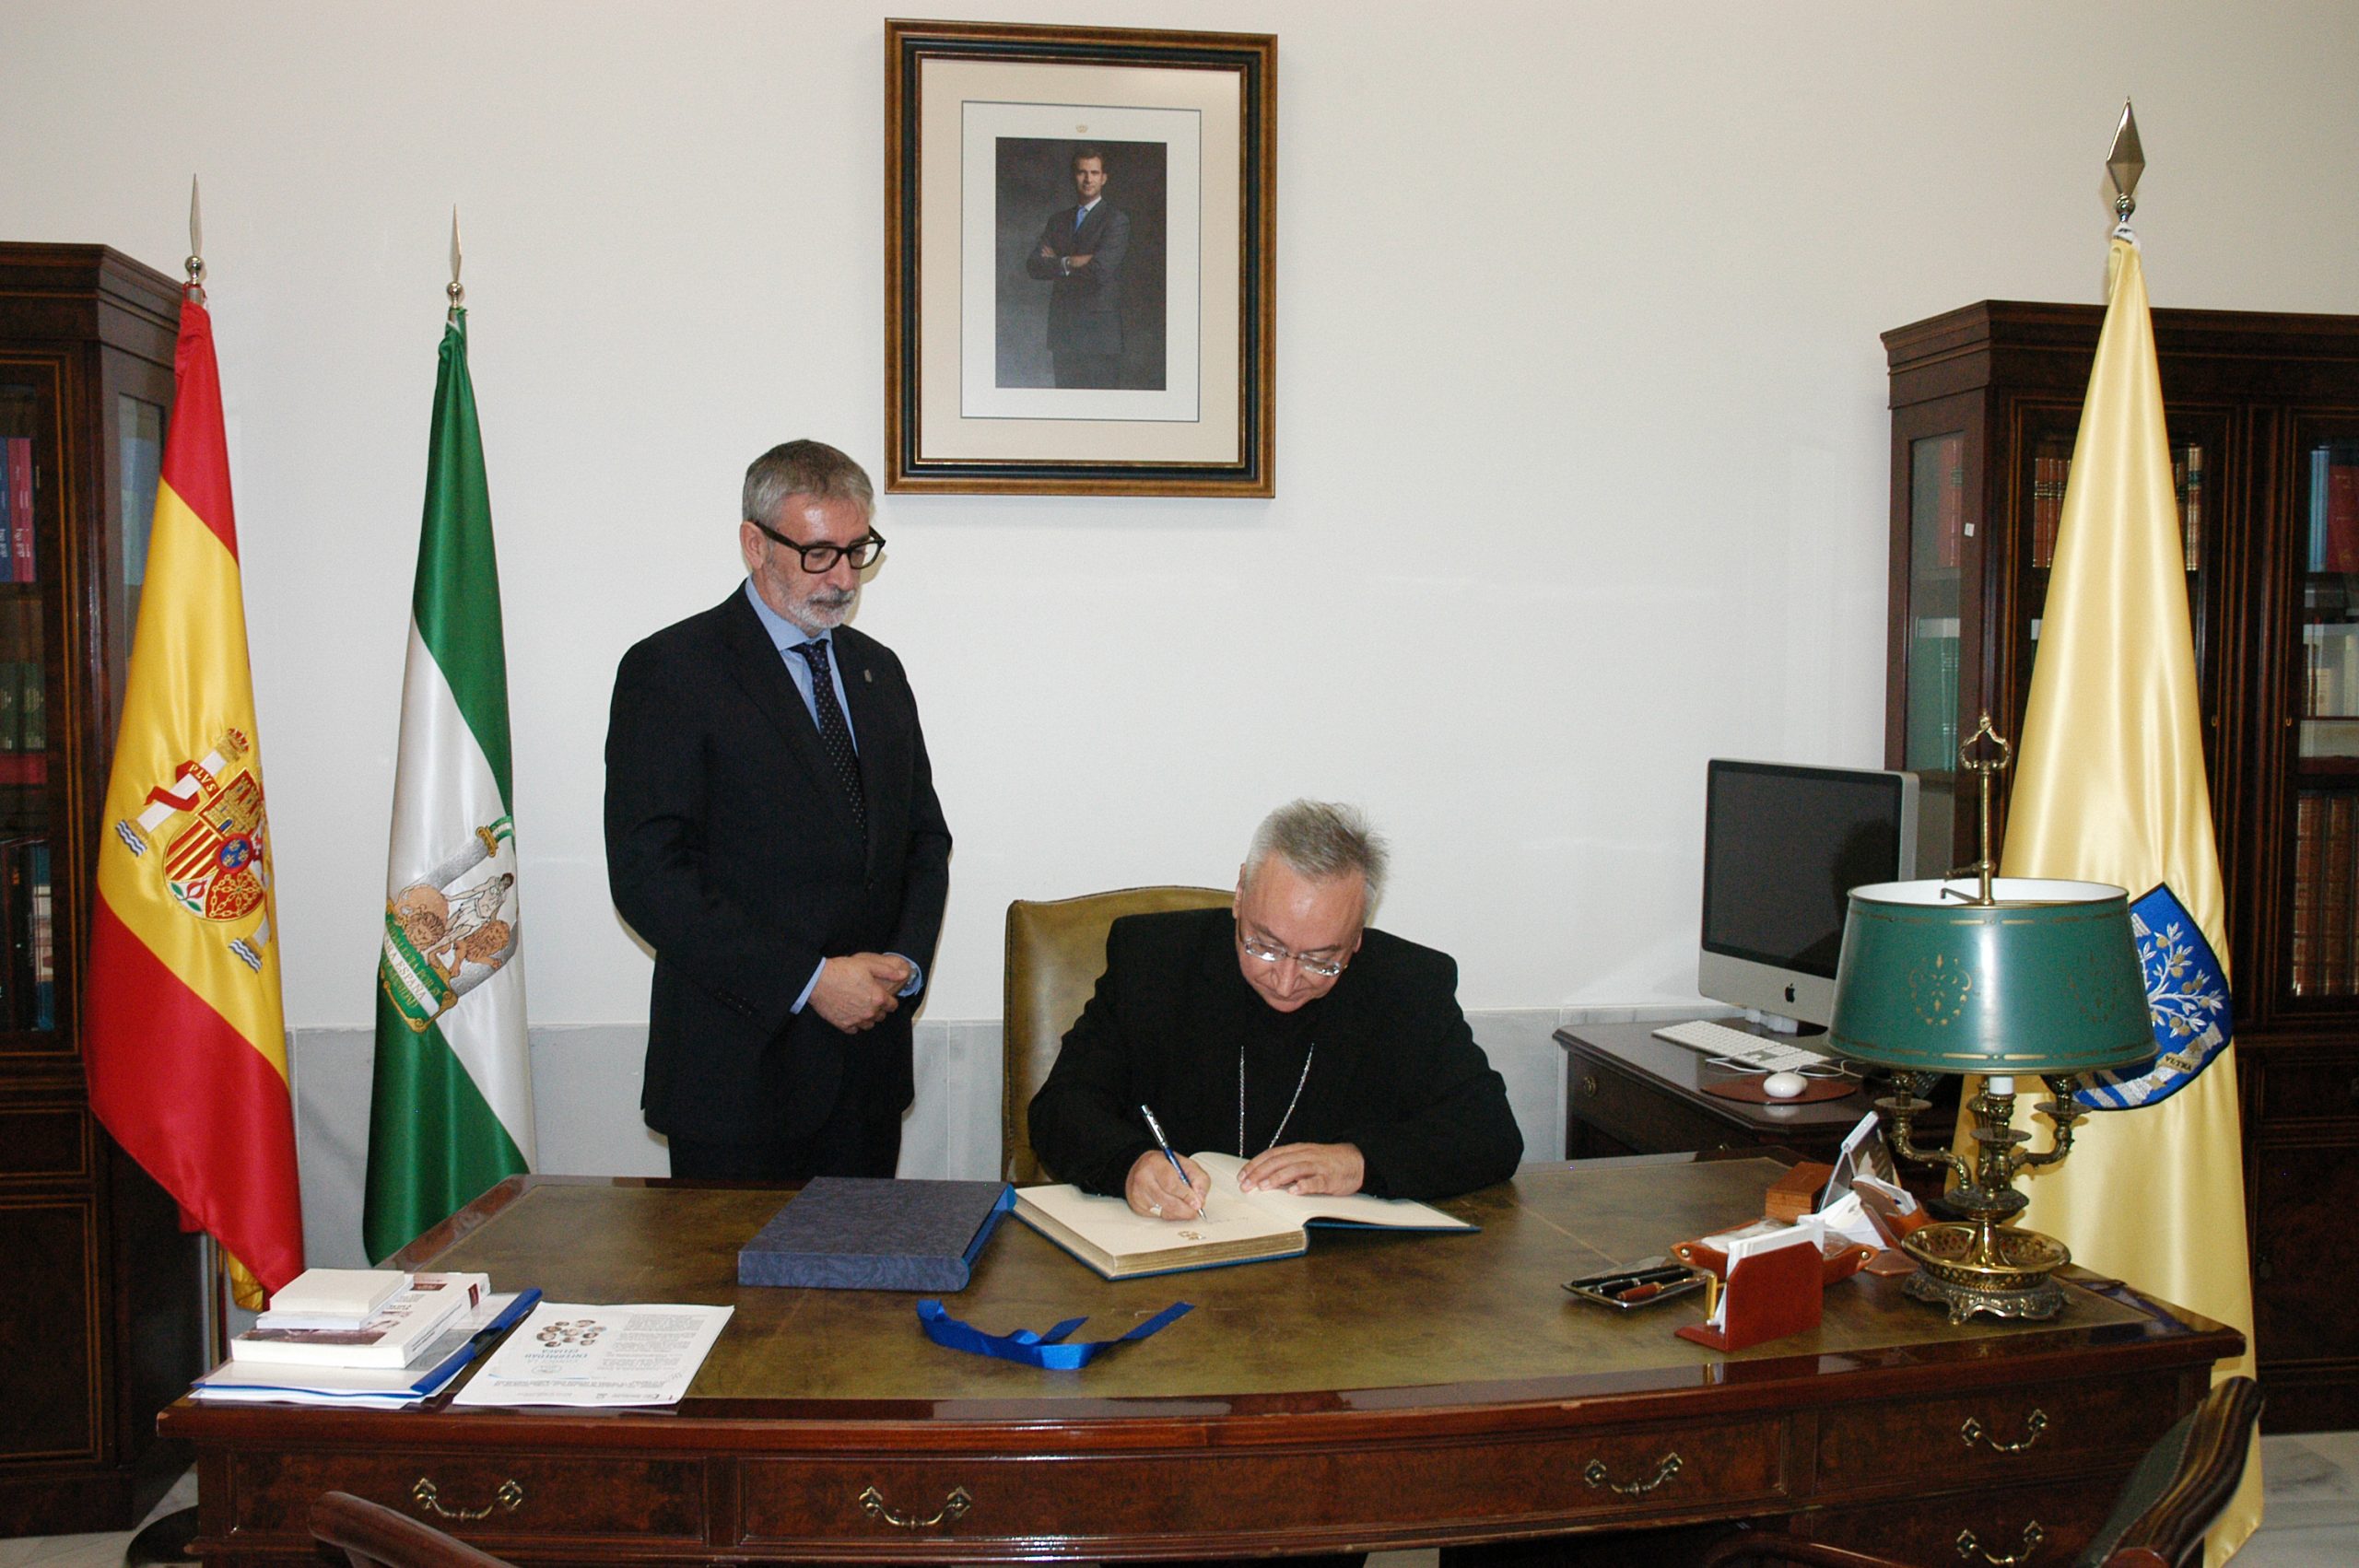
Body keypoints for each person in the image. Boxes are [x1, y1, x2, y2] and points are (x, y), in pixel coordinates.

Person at [604, 439, 951, 1180]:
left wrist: (904, 962)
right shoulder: (671, 670)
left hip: (867, 1075)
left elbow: (923, 840)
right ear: (755, 544)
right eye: (818, 553)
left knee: (866, 1263)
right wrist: (810, 980)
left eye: (857, 551)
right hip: (737, 1081)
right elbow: (649, 876)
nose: (845, 577)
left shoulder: (878, 670)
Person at [1028, 801, 1523, 1219]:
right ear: (1241, 894)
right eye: (1264, 946)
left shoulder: (1406, 987)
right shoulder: (1154, 962)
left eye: (1320, 960)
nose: (1286, 981)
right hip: (1174, 1258)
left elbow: (1490, 1132)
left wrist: (1361, 1163)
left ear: (1357, 936)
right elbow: (1061, 1107)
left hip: (1340, 1280)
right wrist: (1130, 1165)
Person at [1024, 145, 1131, 389]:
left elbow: (1100, 271)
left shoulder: (1116, 220)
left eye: (1094, 173)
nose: (1088, 179)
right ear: (1074, 176)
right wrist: (1070, 261)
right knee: (1065, 404)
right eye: (1082, 172)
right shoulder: (1058, 221)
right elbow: (1034, 265)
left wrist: (1057, 261)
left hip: (1099, 336)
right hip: (1064, 333)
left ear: (1104, 178)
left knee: (1099, 406)